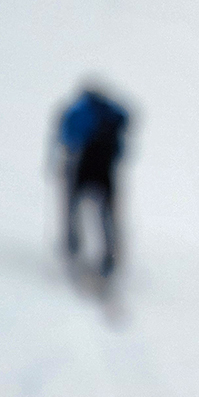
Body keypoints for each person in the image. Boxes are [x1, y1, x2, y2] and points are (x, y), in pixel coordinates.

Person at [54, 85, 129, 277]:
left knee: (73, 204)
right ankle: (110, 256)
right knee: (107, 213)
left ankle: (72, 245)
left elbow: (68, 137)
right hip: (106, 169)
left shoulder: (80, 110)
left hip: (83, 165)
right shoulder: (111, 112)